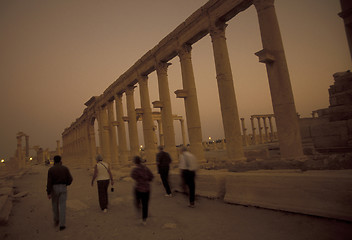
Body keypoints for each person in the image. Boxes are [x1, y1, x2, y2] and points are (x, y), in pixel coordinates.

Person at [46, 155, 73, 231]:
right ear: (60, 160)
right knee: (63, 206)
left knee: (55, 205)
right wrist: (66, 184)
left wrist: (48, 192)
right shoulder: (65, 168)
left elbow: (49, 182)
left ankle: (56, 220)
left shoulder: (51, 170)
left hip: (54, 188)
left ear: (54, 161)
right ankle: (62, 224)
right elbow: (70, 179)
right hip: (63, 187)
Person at [131, 156, 154, 225]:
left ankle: (139, 210)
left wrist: (139, 180)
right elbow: (151, 176)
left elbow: (133, 176)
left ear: (135, 162)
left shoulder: (135, 169)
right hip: (147, 188)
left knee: (137, 201)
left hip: (139, 188)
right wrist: (147, 180)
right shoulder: (146, 168)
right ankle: (144, 220)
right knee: (145, 204)